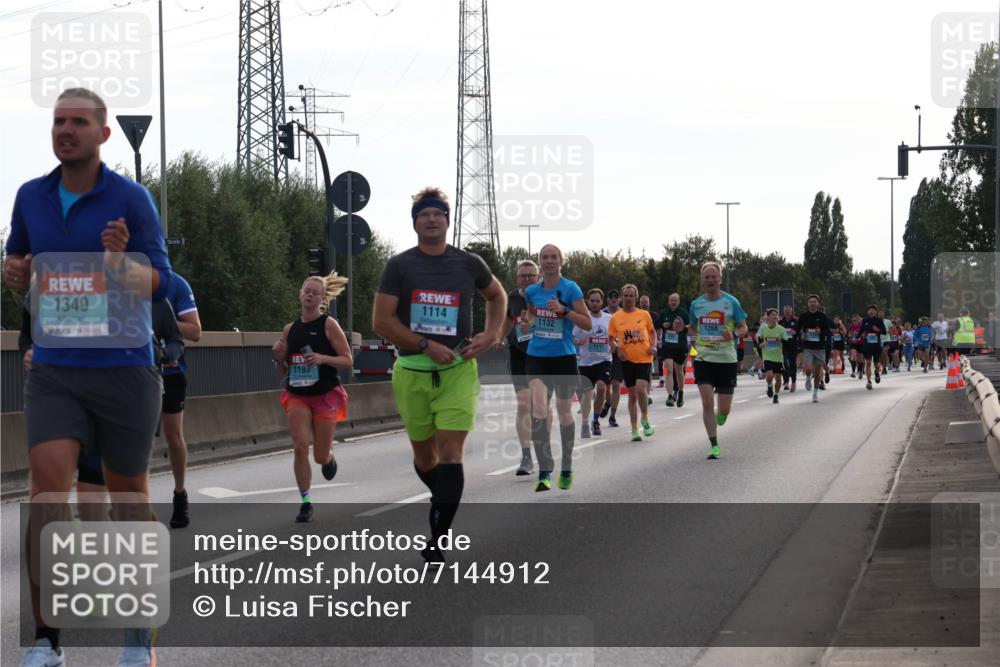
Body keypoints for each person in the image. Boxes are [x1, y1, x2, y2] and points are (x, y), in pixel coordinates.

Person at [5, 87, 173, 667]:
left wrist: (120, 264)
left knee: (128, 504)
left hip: (124, 369)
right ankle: (47, 642)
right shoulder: (30, 197)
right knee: (48, 497)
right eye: (58, 121)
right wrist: (13, 272)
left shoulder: (133, 200)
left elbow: (161, 284)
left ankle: (136, 640)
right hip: (55, 369)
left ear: (103, 135)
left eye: (78, 122)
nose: (65, 130)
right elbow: (19, 273)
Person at [373, 187, 504, 561]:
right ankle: (442, 496)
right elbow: (381, 321)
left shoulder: (468, 263)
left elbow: (497, 297)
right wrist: (425, 345)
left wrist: (491, 333)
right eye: (424, 214)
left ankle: (438, 536)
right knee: (425, 458)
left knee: (450, 452)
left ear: (447, 221)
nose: (431, 220)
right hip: (412, 371)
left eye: (438, 214)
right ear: (415, 222)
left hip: (458, 371)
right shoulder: (399, 266)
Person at [272, 273, 353, 523]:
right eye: (306, 290)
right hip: (298, 393)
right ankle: (306, 501)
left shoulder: (328, 325)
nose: (309, 295)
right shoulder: (290, 329)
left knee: (318, 455)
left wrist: (322, 358)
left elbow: (348, 360)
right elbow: (282, 370)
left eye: (315, 292)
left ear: (321, 299)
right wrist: (279, 357)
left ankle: (329, 457)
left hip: (325, 393)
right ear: (300, 294)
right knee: (299, 446)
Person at [523, 243, 590, 491]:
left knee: (563, 412)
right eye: (544, 257)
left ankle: (567, 463)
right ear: (540, 262)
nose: (549, 261)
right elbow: (531, 314)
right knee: (539, 408)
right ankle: (544, 470)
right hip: (537, 355)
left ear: (560, 261)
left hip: (564, 357)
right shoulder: (531, 291)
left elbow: (588, 323)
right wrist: (526, 322)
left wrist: (564, 312)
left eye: (553, 257)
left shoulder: (570, 289)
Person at [681, 262, 747, 459]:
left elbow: (743, 327)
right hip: (703, 358)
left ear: (720, 278)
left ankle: (722, 414)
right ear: (702, 280)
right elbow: (693, 328)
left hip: (726, 359)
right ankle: (714, 444)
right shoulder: (696, 304)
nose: (710, 280)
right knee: (707, 402)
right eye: (707, 277)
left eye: (713, 276)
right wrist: (682, 328)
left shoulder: (731, 302)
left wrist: (734, 333)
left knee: (724, 409)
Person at [160, 272, 201, 529]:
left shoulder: (176, 284)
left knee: (173, 436)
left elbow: (195, 331)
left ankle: (179, 494)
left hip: (170, 372)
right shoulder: (120, 281)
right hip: (131, 372)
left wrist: (162, 322)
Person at [496, 259, 540, 476]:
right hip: (519, 355)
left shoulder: (547, 295)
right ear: (517, 278)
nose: (527, 279)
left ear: (538, 277)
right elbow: (508, 321)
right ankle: (526, 457)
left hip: (544, 355)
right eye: (523, 275)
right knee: (523, 405)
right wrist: (500, 337)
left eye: (531, 275)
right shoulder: (511, 298)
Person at [609, 284, 656, 442]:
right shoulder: (616, 317)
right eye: (626, 295)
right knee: (632, 396)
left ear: (636, 297)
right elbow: (610, 339)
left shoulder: (644, 315)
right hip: (627, 360)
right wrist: (617, 349)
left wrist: (653, 346)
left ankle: (645, 418)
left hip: (644, 358)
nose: (629, 298)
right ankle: (635, 428)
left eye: (631, 295)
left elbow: (652, 332)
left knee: (641, 390)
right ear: (622, 298)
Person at [573, 288, 612, 438]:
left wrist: (614, 343)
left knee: (601, 388)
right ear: (588, 302)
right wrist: (578, 341)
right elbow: (573, 337)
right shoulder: (583, 318)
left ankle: (595, 420)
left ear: (602, 302)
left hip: (604, 360)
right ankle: (584, 423)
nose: (595, 303)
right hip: (586, 362)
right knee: (587, 395)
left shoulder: (609, 319)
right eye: (592, 301)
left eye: (597, 301)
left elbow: (615, 337)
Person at [657, 292, 690, 407]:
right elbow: (657, 325)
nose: (673, 302)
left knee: (679, 370)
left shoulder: (683, 313)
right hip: (667, 346)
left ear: (678, 301)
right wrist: (663, 324)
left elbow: (691, 327)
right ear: (668, 301)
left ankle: (680, 393)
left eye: (675, 300)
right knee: (669, 368)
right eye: (671, 300)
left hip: (680, 346)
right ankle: (670, 396)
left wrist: (682, 327)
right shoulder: (664, 313)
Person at [798, 295, 831, 403]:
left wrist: (820, 332)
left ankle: (815, 393)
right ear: (808, 304)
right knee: (808, 369)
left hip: (820, 348)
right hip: (808, 347)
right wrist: (801, 335)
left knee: (817, 373)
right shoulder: (803, 316)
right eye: (811, 301)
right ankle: (808, 377)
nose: (812, 303)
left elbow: (828, 331)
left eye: (814, 301)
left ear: (817, 304)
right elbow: (798, 330)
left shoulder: (822, 316)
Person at [600, 288, 624, 426]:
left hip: (618, 353)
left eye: (616, 297)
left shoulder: (623, 314)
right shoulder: (602, 314)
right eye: (611, 297)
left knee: (616, 384)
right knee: (605, 385)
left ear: (619, 299)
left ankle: (613, 416)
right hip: (604, 353)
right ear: (607, 300)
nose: (613, 299)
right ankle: (608, 401)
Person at [755, 308, 787, 404]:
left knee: (778, 379)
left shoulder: (781, 329)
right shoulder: (764, 329)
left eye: (776, 315)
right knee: (769, 376)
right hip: (767, 357)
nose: (775, 316)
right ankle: (769, 386)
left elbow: (786, 342)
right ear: (768, 317)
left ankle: (776, 395)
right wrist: (761, 345)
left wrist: (780, 340)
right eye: (772, 315)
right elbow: (759, 341)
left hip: (778, 357)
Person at [859, 305, 884, 390]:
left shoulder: (879, 321)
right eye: (870, 310)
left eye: (873, 310)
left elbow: (884, 331)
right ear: (867, 312)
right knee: (868, 363)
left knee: (876, 364)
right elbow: (861, 330)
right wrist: (859, 335)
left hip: (876, 346)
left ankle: (877, 372)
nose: (871, 312)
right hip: (867, 345)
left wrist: (878, 330)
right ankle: (869, 381)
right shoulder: (865, 320)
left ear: (875, 312)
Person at [778, 304, 799, 392]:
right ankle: (786, 382)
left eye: (789, 311)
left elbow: (800, 332)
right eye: (786, 312)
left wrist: (795, 332)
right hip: (783, 345)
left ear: (791, 311)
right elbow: (777, 332)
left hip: (793, 345)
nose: (787, 313)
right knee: (784, 364)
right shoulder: (780, 322)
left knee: (792, 364)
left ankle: (793, 382)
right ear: (783, 312)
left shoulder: (796, 321)